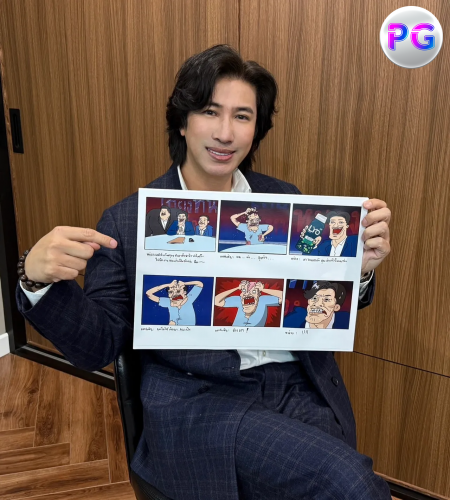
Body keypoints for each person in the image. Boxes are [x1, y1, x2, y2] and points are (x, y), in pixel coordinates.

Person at [16, 45, 392, 499]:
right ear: (182, 121)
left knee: (341, 480)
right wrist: (36, 280)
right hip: (203, 400)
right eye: (210, 112)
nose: (225, 133)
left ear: (257, 129)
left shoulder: (285, 201)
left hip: (297, 385)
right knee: (351, 482)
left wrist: (358, 272)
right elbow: (97, 345)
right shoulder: (128, 221)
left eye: (242, 116)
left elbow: (313, 299)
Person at [284, 281, 350, 329]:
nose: (317, 304)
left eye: (326, 299)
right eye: (314, 298)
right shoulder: (289, 322)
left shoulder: (347, 321)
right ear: (309, 301)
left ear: (336, 307)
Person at [215, 279, 281, 327]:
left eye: (254, 291)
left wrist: (263, 289)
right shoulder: (239, 300)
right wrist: (237, 288)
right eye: (244, 291)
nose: (248, 294)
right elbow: (216, 301)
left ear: (259, 294)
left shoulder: (263, 300)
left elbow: (283, 297)